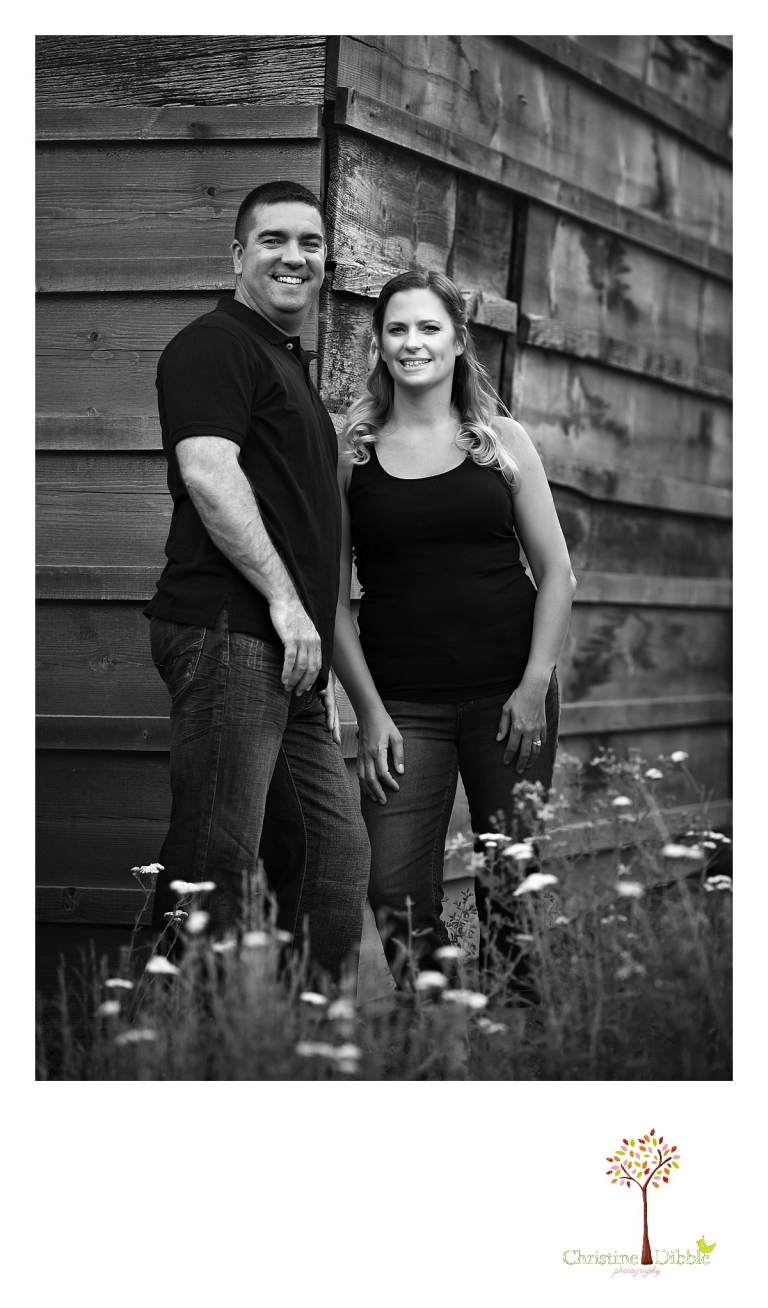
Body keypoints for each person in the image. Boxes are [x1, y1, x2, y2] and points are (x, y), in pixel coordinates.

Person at [144, 180, 370, 981]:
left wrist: (307, 634)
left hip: (286, 656)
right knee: (212, 867)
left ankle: (303, 1053)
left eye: (309, 243)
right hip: (230, 632)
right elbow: (209, 471)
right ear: (238, 255)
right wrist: (283, 600)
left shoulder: (282, 361)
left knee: (333, 863)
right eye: (273, 240)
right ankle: (157, 1052)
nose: (294, 257)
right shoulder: (214, 345)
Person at [333, 270, 577, 979]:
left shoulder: (499, 442)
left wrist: (534, 685)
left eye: (429, 327)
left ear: (459, 340)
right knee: (394, 890)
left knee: (513, 886)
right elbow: (330, 596)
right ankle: (439, 1029)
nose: (413, 343)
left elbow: (557, 573)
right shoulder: (352, 452)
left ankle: (514, 1041)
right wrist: (370, 713)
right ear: (378, 343)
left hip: (511, 694)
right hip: (406, 707)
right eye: (398, 329)